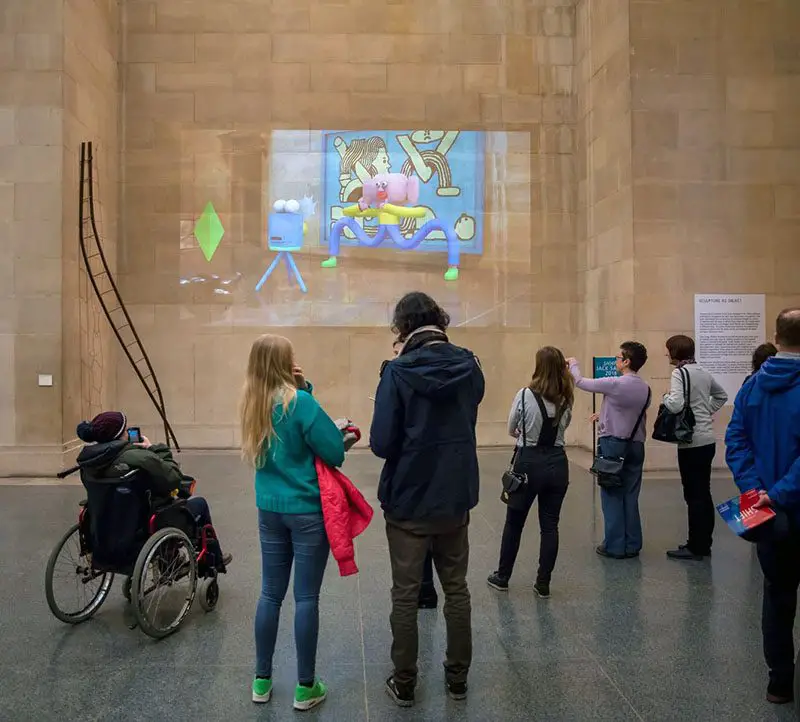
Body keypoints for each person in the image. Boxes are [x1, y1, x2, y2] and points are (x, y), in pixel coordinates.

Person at [371, 292, 485, 707]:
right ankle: (458, 679)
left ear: (403, 327)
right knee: (457, 589)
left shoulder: (397, 373)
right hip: (454, 497)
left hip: (408, 500)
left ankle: (404, 681)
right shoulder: (471, 364)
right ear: (439, 320)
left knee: (405, 593)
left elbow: (382, 443)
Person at [240, 334, 347, 711]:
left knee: (270, 593)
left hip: (269, 509)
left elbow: (283, 428)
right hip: (306, 511)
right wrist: (307, 392)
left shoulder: (251, 403)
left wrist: (305, 389)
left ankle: (261, 681)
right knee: (306, 597)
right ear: (285, 363)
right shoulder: (300, 402)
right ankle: (305, 687)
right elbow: (334, 449)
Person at [726, 307, 800, 705]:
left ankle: (779, 681)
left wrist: (757, 490)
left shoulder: (752, 386)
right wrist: (784, 490)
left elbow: (736, 441)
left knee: (776, 593)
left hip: (763, 506)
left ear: (776, 335)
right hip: (790, 501)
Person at [75, 411, 230, 570]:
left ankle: (170, 559)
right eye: (126, 430)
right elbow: (173, 478)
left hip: (103, 527)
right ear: (120, 434)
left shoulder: (88, 461)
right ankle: (213, 560)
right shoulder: (139, 457)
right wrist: (154, 449)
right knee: (198, 504)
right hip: (140, 528)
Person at [487, 346, 574, 599]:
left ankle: (502, 577)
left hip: (528, 462)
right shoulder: (567, 396)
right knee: (550, 525)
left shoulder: (525, 394)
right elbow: (564, 426)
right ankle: (543, 583)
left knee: (514, 523)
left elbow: (512, 428)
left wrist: (526, 433)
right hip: (558, 463)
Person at [568, 343, 651, 559]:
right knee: (631, 495)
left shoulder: (615, 383)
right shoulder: (645, 388)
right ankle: (632, 543)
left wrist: (573, 363)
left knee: (612, 494)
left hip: (613, 445)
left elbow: (580, 382)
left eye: (617, 358)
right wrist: (603, 413)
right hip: (636, 444)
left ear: (626, 362)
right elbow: (627, 412)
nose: (615, 361)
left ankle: (614, 545)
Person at [381, 338, 439, 610]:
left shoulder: (399, 376)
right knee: (455, 582)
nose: (395, 355)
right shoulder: (455, 373)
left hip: (411, 472)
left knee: (406, 579)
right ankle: (426, 590)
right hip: (440, 474)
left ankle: (422, 591)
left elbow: (383, 439)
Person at [661, 335, 728, 561]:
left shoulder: (679, 373)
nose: (666, 354)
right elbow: (721, 395)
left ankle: (696, 546)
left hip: (691, 441)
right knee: (703, 493)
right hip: (707, 439)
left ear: (675, 352)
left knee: (693, 494)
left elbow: (676, 403)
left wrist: (665, 397)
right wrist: (705, 411)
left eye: (668, 350)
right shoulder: (702, 371)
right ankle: (702, 542)